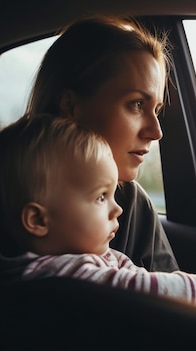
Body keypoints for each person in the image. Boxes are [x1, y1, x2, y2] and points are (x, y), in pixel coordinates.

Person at [0, 113, 196, 308]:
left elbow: (138, 276)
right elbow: (133, 287)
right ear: (38, 220)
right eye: (101, 197)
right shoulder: (59, 274)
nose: (117, 209)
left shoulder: (85, 257)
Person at [25, 15, 178, 272]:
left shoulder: (131, 202)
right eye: (137, 104)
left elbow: (173, 304)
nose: (156, 132)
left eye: (157, 109)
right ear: (71, 107)